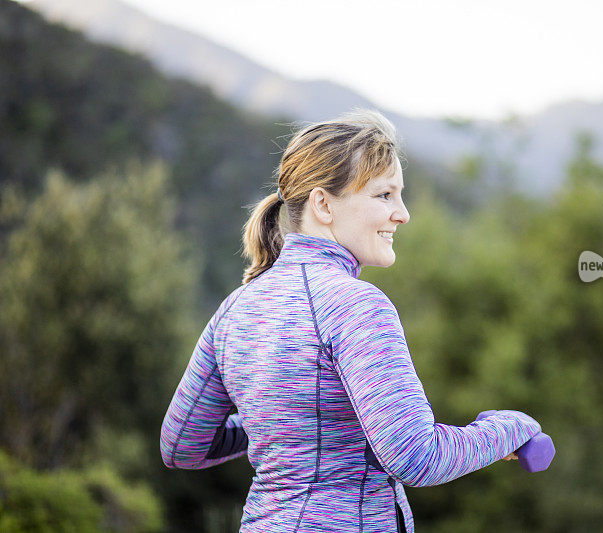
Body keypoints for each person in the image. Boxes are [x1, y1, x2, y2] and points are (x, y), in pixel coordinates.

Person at [160, 109, 549, 533]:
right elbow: (418, 457)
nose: (402, 214)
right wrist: (511, 427)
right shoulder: (356, 305)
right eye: (384, 196)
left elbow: (182, 445)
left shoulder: (235, 309)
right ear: (323, 205)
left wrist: (277, 427)